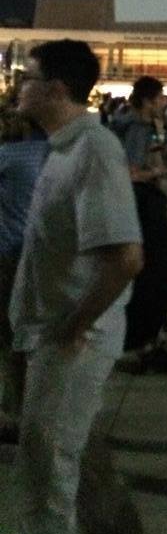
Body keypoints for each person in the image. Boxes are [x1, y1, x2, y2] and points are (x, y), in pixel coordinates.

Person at [9, 39, 144, 534]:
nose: (19, 86)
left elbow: (126, 257)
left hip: (73, 340)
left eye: (28, 77)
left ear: (57, 89)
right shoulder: (63, 148)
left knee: (50, 471)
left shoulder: (94, 150)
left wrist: (74, 326)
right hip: (53, 333)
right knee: (53, 461)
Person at [113, 76, 167, 373]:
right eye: (160, 98)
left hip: (140, 202)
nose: (164, 103)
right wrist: (153, 173)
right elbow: (129, 172)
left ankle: (146, 339)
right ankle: (143, 342)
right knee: (156, 268)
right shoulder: (136, 127)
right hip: (141, 202)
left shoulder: (141, 125)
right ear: (146, 100)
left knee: (155, 268)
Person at [0, 106, 48, 444]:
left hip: (7, 252)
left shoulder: (9, 156)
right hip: (41, 254)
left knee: (9, 335)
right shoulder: (56, 154)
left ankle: (15, 414)